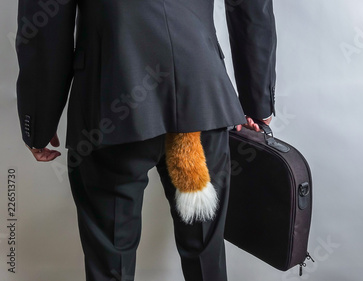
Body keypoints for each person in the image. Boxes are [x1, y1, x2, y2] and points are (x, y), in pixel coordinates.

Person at [15, 0, 277, 280]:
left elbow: (44, 25)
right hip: (200, 97)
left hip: (111, 102)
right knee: (205, 257)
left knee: (110, 264)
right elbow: (251, 7)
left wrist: (39, 121)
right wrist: (257, 102)